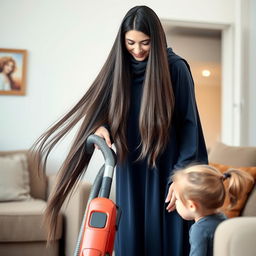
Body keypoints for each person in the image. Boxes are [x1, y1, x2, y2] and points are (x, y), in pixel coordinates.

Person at [31, 5, 208, 256]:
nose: (137, 50)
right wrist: (99, 125)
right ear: (122, 41)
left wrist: (182, 177)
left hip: (168, 171)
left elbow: (190, 125)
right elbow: (106, 108)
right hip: (129, 166)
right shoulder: (118, 69)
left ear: (156, 40)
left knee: (167, 240)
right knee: (130, 240)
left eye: (145, 43)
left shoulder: (176, 69)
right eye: (131, 43)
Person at [171, 164, 254, 256]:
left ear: (192, 206)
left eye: (177, 199)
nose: (175, 202)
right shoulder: (222, 217)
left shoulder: (199, 230)